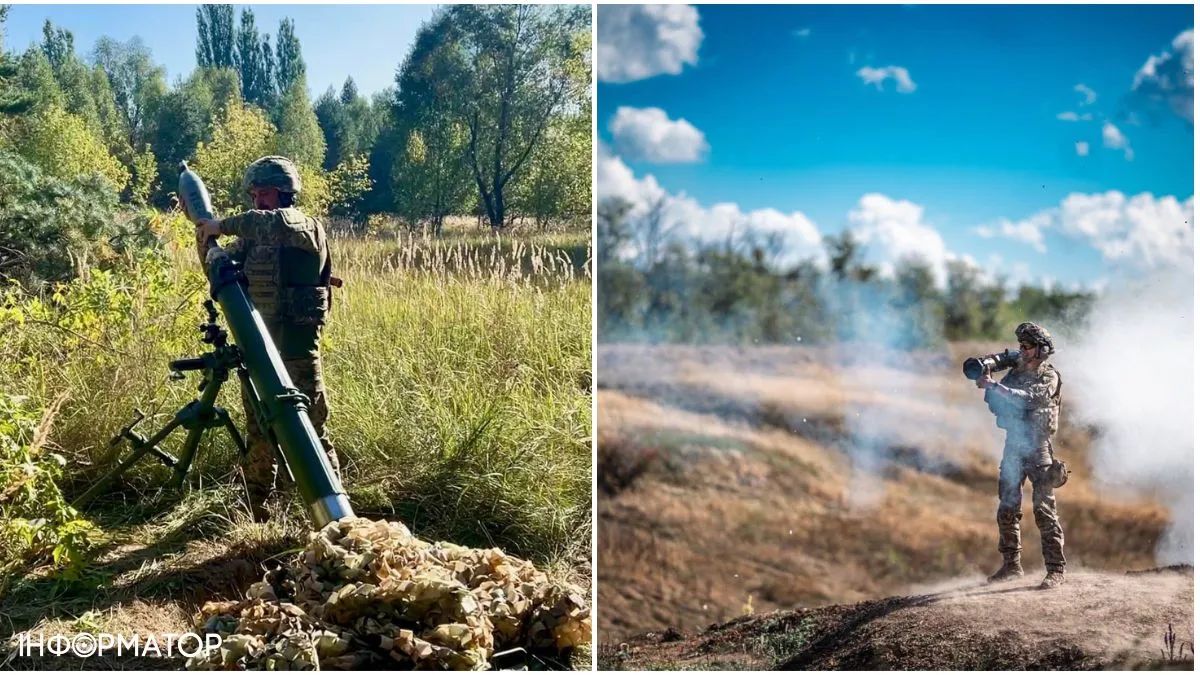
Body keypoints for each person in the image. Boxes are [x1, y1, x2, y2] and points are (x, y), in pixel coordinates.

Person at [193, 155, 340, 518]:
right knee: (259, 433)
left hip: (296, 353)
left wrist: (219, 223)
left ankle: (335, 516)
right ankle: (255, 511)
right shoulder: (253, 241)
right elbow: (219, 265)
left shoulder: (302, 226)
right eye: (255, 194)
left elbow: (268, 224)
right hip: (259, 350)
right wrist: (204, 236)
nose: (259, 200)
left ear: (286, 194)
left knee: (311, 432)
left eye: (266, 193)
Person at [975, 322, 1066, 590]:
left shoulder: (1050, 377)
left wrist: (998, 388)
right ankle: (1011, 566)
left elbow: (1031, 398)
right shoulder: (1015, 373)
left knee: (1044, 510)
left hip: (1038, 447)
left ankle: (1055, 570)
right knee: (1007, 507)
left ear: (1041, 350)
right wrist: (990, 388)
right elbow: (996, 403)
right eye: (1021, 346)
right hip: (1014, 444)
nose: (1022, 351)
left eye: (1027, 346)